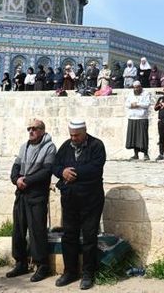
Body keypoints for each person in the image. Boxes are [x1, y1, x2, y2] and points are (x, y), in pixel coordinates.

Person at [52, 120, 106, 290]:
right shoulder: (66, 146)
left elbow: (95, 169)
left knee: (89, 237)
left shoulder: (97, 145)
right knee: (69, 235)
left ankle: (88, 274)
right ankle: (70, 272)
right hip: (70, 199)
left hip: (91, 199)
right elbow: (55, 165)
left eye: (77, 135)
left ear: (85, 132)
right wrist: (62, 172)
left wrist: (71, 172)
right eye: (71, 135)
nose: (73, 138)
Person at [7, 119, 55, 282]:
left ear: (42, 130)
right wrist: (16, 179)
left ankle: (42, 265)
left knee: (37, 230)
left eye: (34, 129)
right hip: (21, 193)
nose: (31, 131)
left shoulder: (49, 147)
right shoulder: (24, 147)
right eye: (29, 129)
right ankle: (21, 263)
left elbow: (47, 170)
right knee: (18, 229)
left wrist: (26, 181)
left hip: (37, 193)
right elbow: (16, 166)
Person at [125, 82, 152, 160]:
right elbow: (127, 104)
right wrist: (131, 105)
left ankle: (146, 154)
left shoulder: (146, 93)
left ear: (140, 87)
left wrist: (138, 104)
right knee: (134, 137)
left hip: (142, 118)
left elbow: (147, 104)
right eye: (134, 87)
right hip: (132, 117)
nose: (136, 89)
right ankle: (135, 154)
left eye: (137, 87)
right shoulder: (130, 94)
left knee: (143, 137)